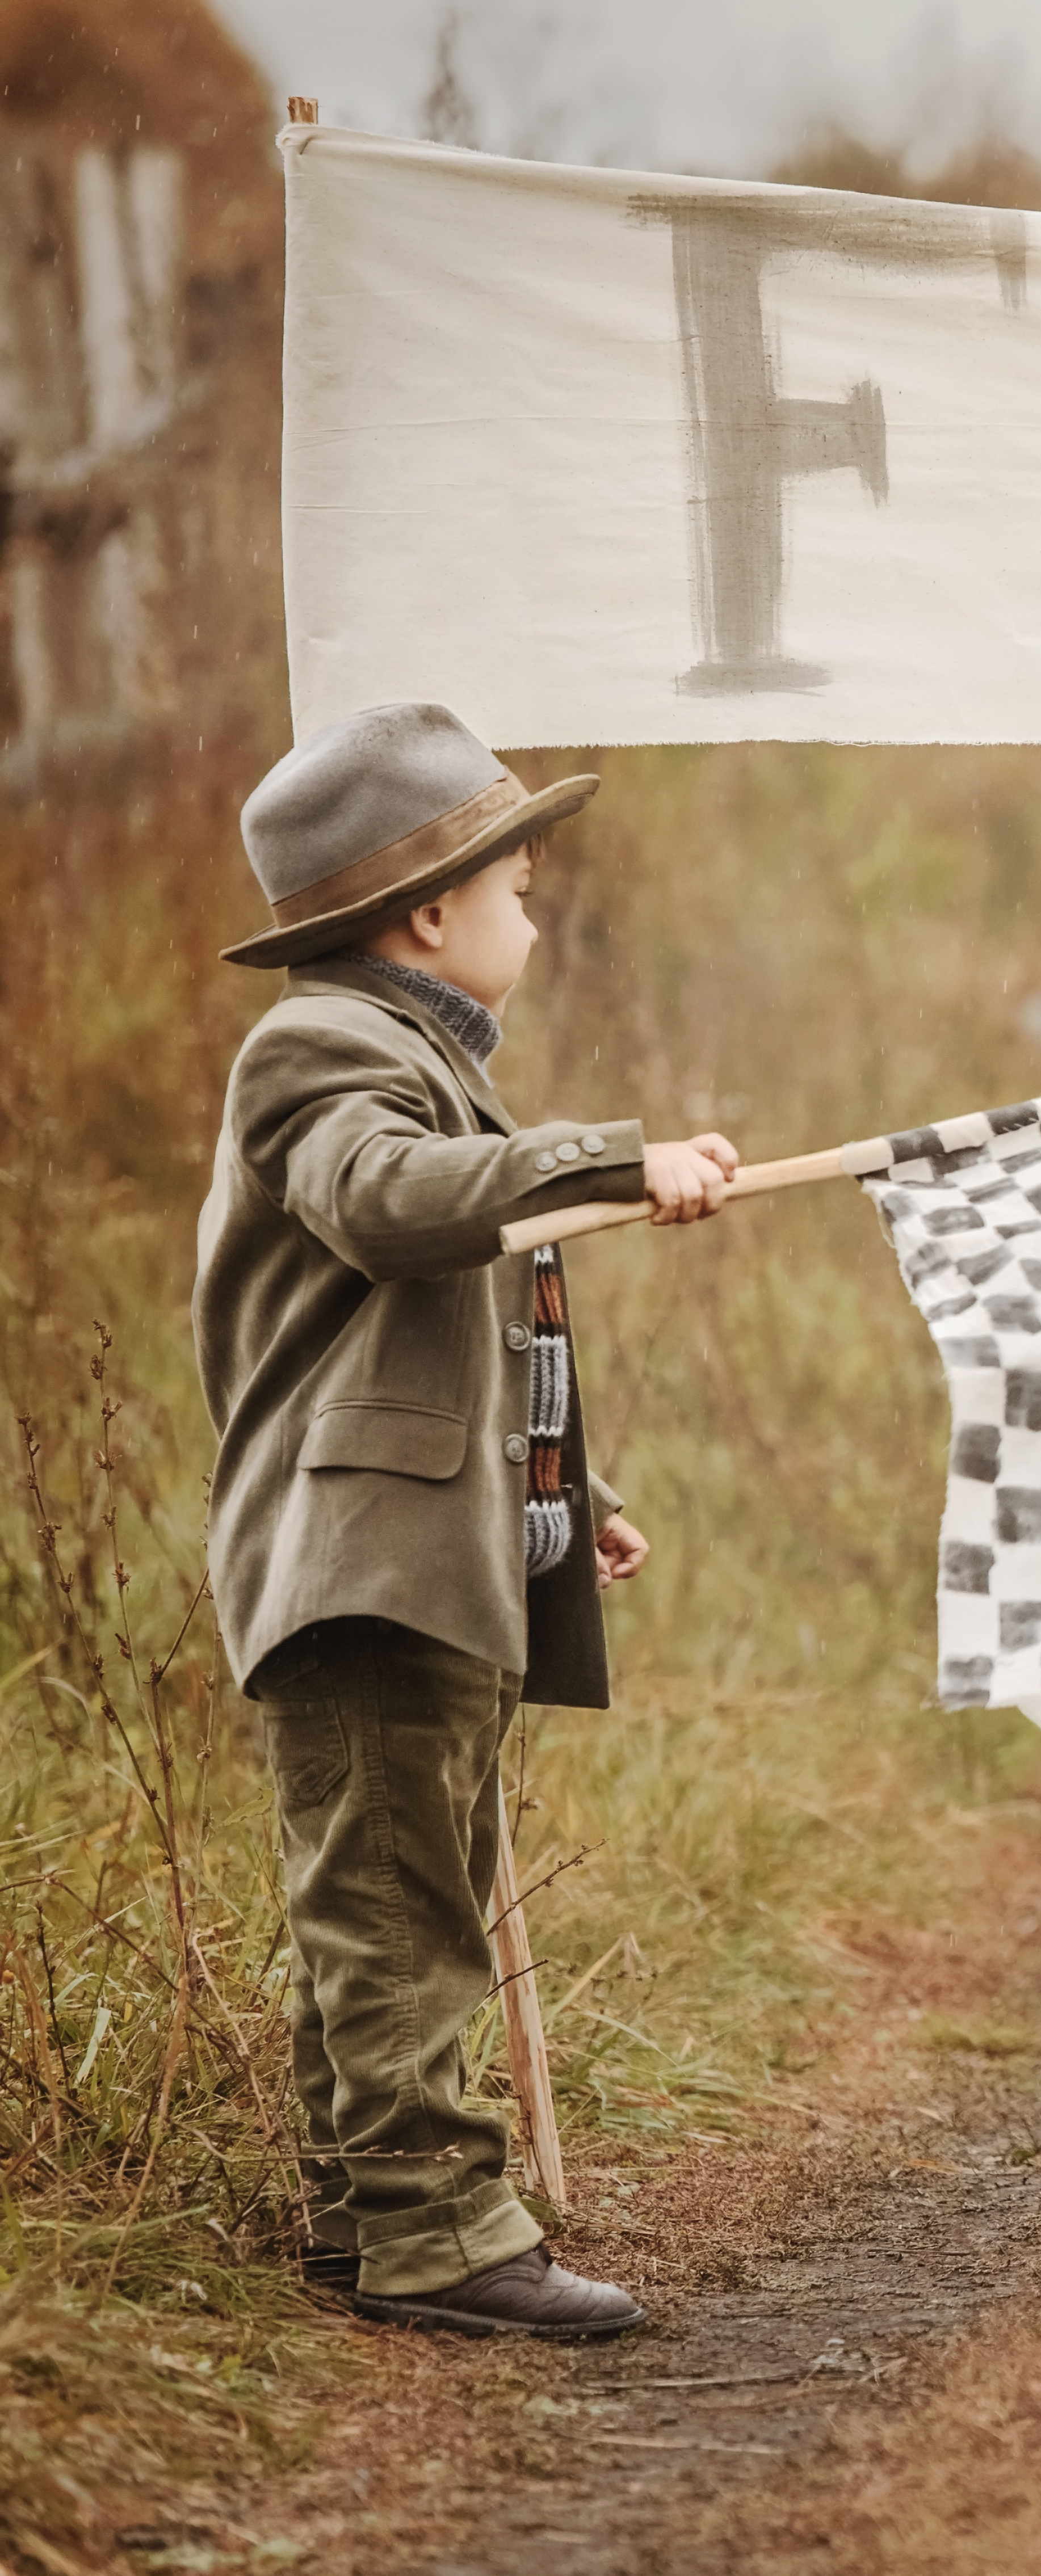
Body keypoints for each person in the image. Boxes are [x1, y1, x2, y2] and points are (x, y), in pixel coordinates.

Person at [195, 702, 738, 2339]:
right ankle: (440, 2234)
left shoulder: (417, 1056)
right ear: (427, 913)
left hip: (426, 1546)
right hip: (362, 1563)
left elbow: (456, 1344)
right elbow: (388, 1208)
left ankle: (372, 2216)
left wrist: (577, 1487)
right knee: (392, 1900)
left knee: (397, 1880)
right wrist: (613, 1161)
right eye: (516, 878)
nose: (537, 905)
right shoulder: (323, 1052)